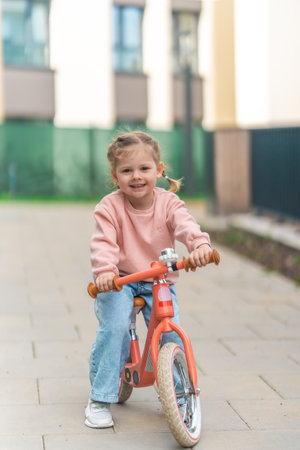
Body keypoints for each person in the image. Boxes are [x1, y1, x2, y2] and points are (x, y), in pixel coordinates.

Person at [85, 130, 211, 428]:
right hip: (120, 280)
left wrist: (199, 246)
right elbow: (103, 244)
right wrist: (105, 273)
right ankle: (99, 398)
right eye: (127, 171)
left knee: (172, 333)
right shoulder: (109, 207)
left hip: (158, 279)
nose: (136, 176)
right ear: (116, 177)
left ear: (159, 170)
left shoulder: (169, 203)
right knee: (115, 326)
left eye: (144, 169)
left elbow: (186, 226)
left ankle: (181, 391)